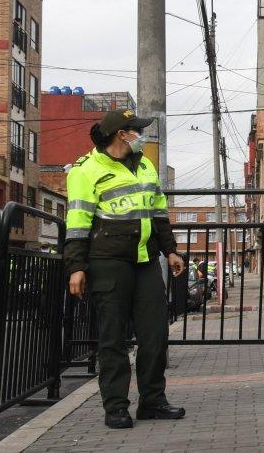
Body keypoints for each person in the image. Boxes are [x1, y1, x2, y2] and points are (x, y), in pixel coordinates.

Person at [64, 109, 186, 429]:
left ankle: (152, 401)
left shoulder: (144, 165)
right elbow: (77, 223)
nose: (141, 136)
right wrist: (76, 267)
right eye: (136, 130)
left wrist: (171, 250)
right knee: (113, 338)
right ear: (121, 134)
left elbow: (158, 213)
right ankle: (116, 407)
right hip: (108, 262)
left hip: (146, 260)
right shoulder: (85, 170)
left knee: (155, 334)